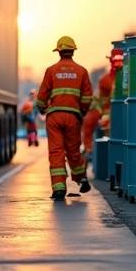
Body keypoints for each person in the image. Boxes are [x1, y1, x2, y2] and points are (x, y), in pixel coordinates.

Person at [35, 36, 93, 200]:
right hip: (73, 117)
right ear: (73, 50)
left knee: (56, 152)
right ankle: (81, 179)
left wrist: (41, 107)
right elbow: (87, 97)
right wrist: (81, 112)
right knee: (73, 151)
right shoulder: (82, 71)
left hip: (54, 117)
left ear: (59, 51)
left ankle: (59, 188)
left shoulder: (51, 70)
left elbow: (42, 96)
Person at [81, 52, 120, 158]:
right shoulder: (105, 79)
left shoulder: (127, 74)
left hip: (120, 110)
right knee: (88, 121)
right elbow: (99, 98)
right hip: (106, 110)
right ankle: (89, 150)